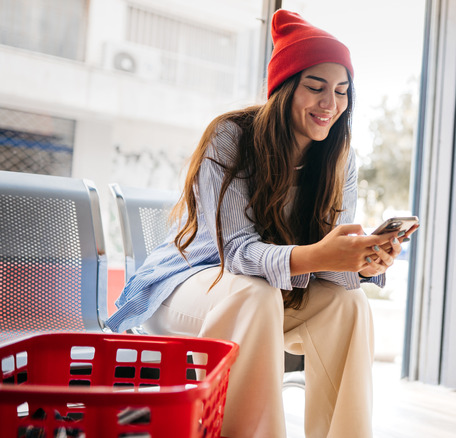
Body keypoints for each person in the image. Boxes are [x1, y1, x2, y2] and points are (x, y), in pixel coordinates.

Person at [105, 9, 417, 438]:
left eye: (342, 91)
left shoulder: (339, 157)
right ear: (285, 86)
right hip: (190, 291)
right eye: (316, 87)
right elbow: (236, 253)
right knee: (255, 291)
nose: (331, 103)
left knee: (349, 304)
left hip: (271, 299)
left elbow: (321, 267)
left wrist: (359, 263)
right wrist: (319, 254)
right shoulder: (231, 136)